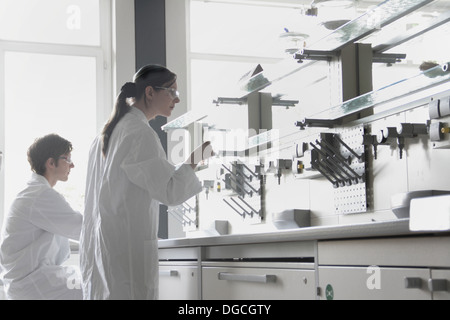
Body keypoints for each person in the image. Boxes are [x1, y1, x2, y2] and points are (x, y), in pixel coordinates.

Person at [80, 64, 214, 300]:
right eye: (171, 92)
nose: (177, 99)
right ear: (150, 92)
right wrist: (195, 159)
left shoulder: (106, 133)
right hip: (125, 256)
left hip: (106, 254)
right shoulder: (138, 133)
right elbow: (170, 191)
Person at [0, 134, 83, 300]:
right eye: (67, 159)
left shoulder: (36, 192)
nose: (72, 165)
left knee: (87, 279)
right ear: (51, 163)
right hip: (31, 282)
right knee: (96, 285)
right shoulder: (40, 195)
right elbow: (82, 228)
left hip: (29, 279)